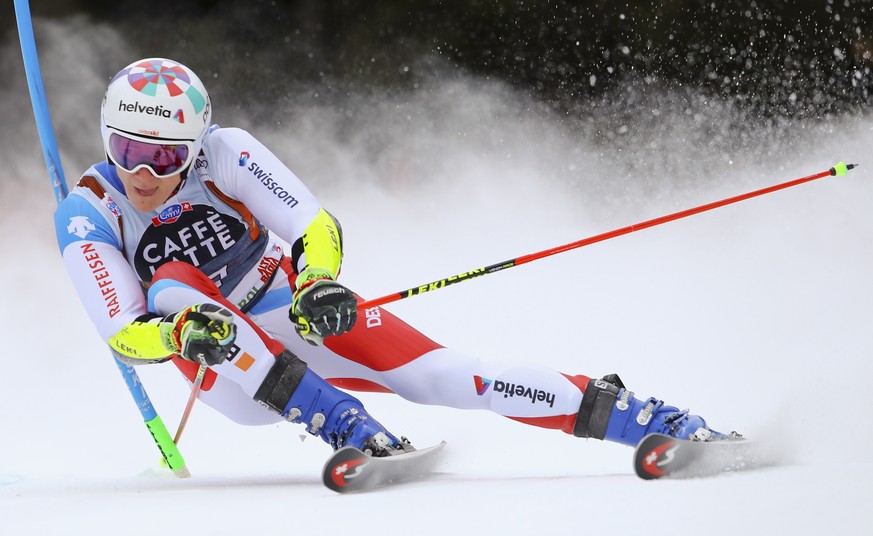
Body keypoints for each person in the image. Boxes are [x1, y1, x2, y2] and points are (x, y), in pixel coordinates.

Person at [55, 57, 729, 463]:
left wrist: (317, 283)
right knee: (173, 285)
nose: (144, 173)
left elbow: (311, 223)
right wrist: (179, 336)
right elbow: (123, 330)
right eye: (127, 150)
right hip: (226, 367)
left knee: (443, 374)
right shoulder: (89, 211)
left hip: (290, 319)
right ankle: (341, 421)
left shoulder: (226, 151)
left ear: (194, 144)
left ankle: (636, 416)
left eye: (166, 156)